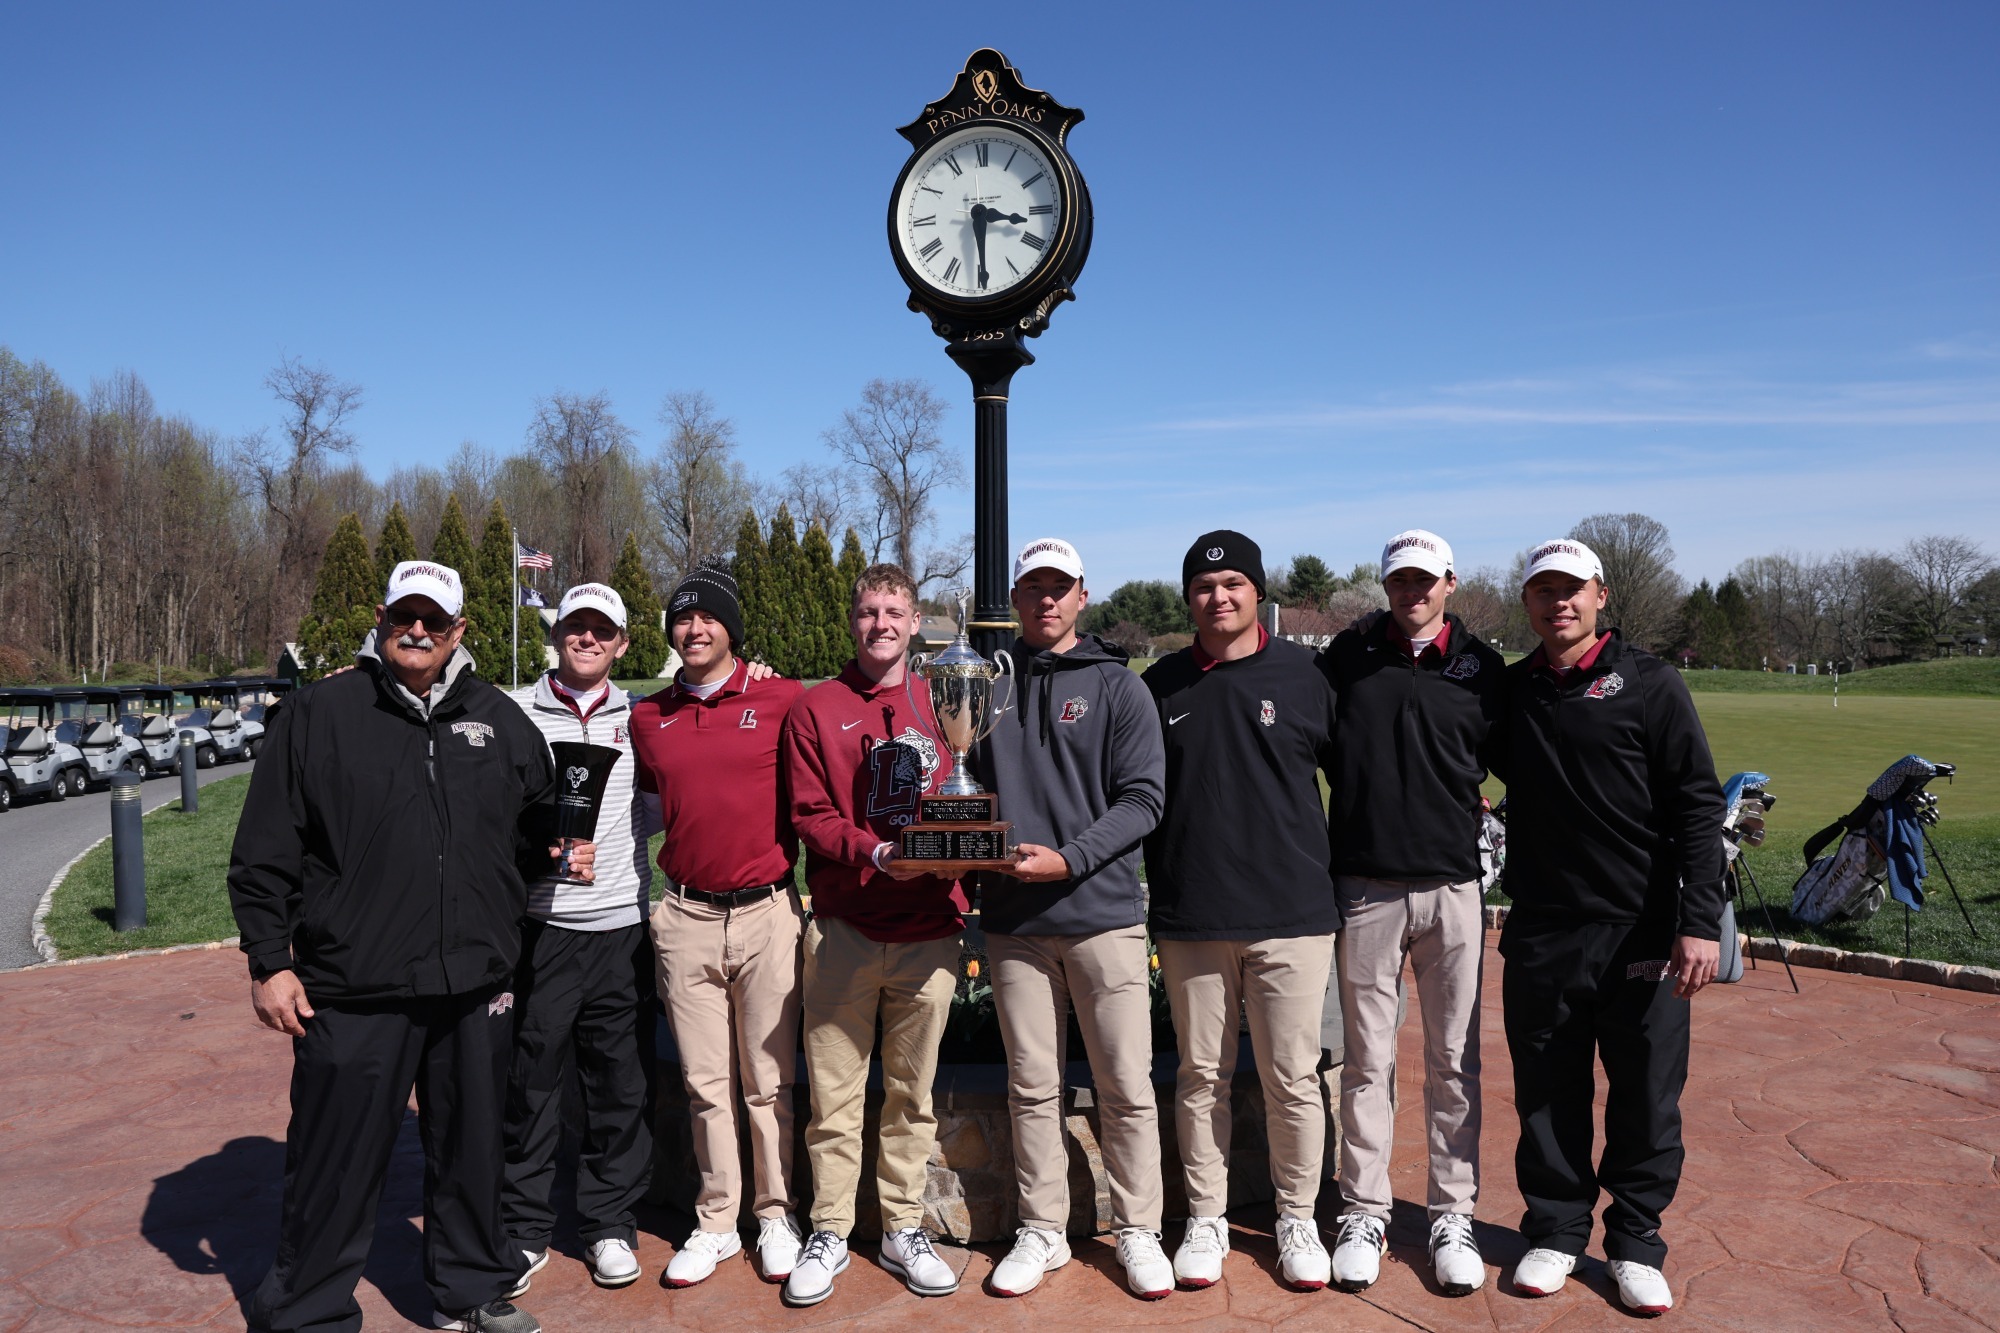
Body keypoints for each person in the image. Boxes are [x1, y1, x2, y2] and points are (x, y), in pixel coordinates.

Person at [229, 559, 592, 1333]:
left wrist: (557, 852)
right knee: (334, 1161)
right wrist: (271, 960)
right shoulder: (321, 713)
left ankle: (469, 1289)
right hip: (355, 984)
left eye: (435, 618)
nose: (419, 630)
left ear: (459, 629)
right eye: (406, 615)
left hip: (472, 983)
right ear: (385, 618)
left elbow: (530, 831)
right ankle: (306, 1310)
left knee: (471, 1153)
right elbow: (263, 851)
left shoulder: (499, 720)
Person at [1498, 537, 1724, 1316]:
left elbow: (1698, 803)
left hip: (1643, 928)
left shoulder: (1652, 684)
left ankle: (1635, 1243)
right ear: (1526, 603)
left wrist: (1700, 921)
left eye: (1572, 589)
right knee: (1547, 1093)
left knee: (1646, 1097)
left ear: (1600, 596)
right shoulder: (1514, 689)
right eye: (1543, 591)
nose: (1558, 602)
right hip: (1542, 929)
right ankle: (1557, 1232)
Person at [1142, 530, 1341, 1293]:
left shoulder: (1306, 675)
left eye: (1232, 583)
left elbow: (1350, 780)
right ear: (1188, 597)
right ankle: (1207, 1217)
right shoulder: (1159, 685)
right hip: (1194, 914)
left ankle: (1297, 1217)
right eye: (1203, 585)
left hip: (1292, 912)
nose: (1217, 596)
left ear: (1258, 591)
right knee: (1202, 1078)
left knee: (1292, 1076)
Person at [976, 538, 1173, 1300]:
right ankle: (1044, 1228)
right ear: (1016, 597)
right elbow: (962, 782)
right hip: (1015, 922)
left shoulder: (1119, 687)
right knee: (1032, 1085)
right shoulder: (987, 685)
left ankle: (1138, 1230)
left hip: (1100, 917)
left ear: (1082, 595)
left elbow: (1143, 799)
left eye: (1059, 588)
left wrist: (1069, 858)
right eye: (1032, 588)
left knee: (1126, 1083)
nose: (1045, 601)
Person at [1318, 530, 1506, 1296]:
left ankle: (1450, 1213)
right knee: (1367, 1061)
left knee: (1454, 1060)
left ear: (1450, 582)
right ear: (1385, 583)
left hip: (1455, 889)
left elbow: (1523, 753)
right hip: (1365, 887)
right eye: (1399, 579)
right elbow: (1321, 748)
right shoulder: (1348, 656)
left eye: (1425, 580)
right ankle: (1363, 1210)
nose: (1412, 591)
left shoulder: (1483, 668)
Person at [779, 563, 967, 1307]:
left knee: (911, 1099)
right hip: (846, 926)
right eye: (867, 611)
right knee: (834, 1097)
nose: (880, 623)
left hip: (930, 933)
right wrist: (875, 852)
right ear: (851, 621)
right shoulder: (815, 708)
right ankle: (827, 1228)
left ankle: (899, 1227)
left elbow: (972, 794)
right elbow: (809, 815)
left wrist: (963, 860)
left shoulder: (945, 697)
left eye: (894, 610)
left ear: (915, 622)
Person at [631, 565, 809, 1288]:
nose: (694, 628)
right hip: (685, 915)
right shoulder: (649, 716)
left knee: (768, 1083)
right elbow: (640, 813)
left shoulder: (782, 698)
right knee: (707, 1084)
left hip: (768, 911)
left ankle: (774, 1213)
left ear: (732, 628)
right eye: (682, 618)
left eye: (708, 618)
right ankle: (716, 1221)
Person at [499, 583, 656, 1294]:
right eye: (576, 627)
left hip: (622, 927)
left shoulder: (643, 716)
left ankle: (608, 1223)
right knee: (532, 1082)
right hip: (544, 927)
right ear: (557, 633)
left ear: (623, 643)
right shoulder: (514, 712)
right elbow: (487, 822)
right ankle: (525, 1227)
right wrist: (540, 853)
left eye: (603, 630)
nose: (588, 639)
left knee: (617, 1083)